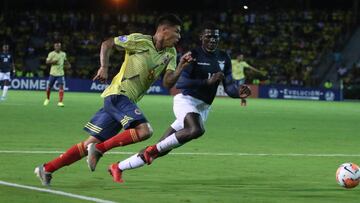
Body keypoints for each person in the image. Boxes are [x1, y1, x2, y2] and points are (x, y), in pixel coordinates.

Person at [34, 14, 191, 186]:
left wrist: (180, 67)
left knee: (89, 143)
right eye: (177, 32)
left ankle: (47, 168)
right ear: (163, 30)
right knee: (145, 131)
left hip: (125, 101)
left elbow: (168, 82)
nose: (179, 37)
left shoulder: (171, 52)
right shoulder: (139, 40)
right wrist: (104, 67)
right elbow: (107, 44)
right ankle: (99, 151)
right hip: (118, 94)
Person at [86, 21, 251, 183]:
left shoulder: (224, 57)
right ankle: (148, 150)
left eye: (216, 37)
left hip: (203, 108)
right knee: (196, 129)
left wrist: (239, 93)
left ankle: (118, 167)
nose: (213, 40)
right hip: (186, 102)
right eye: (209, 36)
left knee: (162, 148)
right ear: (201, 37)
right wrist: (207, 82)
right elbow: (181, 84)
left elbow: (229, 87)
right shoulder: (193, 55)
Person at [43, 41, 71, 107]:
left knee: (61, 86)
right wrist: (53, 61)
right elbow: (47, 62)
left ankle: (60, 102)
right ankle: (47, 99)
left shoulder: (63, 54)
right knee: (49, 87)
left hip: (60, 74)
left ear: (60, 47)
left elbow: (65, 60)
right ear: (54, 47)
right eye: (56, 46)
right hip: (52, 73)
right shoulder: (51, 54)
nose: (58, 47)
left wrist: (68, 64)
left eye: (59, 46)